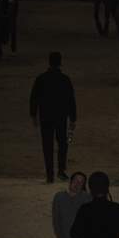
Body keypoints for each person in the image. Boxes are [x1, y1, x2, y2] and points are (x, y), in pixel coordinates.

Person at [30, 52, 77, 183]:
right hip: (61, 117)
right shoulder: (64, 79)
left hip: (46, 116)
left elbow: (34, 98)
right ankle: (61, 171)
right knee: (62, 143)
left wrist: (33, 114)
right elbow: (70, 99)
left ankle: (49, 174)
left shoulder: (41, 79)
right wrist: (73, 118)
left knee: (47, 145)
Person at [52, 172, 91, 238]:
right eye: (75, 181)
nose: (77, 184)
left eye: (81, 182)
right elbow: (56, 221)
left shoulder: (87, 198)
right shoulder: (59, 197)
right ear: (70, 181)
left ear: (83, 185)